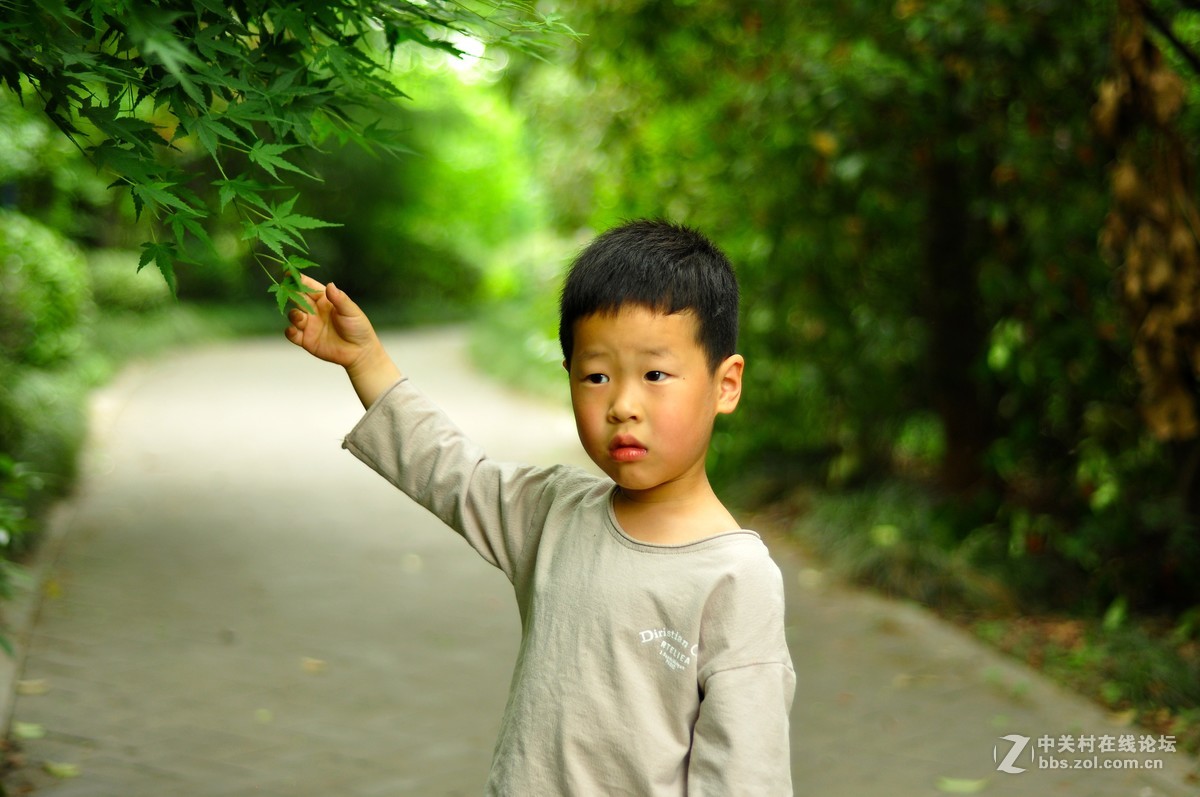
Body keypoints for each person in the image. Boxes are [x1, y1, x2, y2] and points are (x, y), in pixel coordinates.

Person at [285, 219, 795, 795]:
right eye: (596, 375)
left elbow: (745, 774)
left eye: (655, 374)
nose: (623, 404)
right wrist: (366, 359)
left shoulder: (735, 580)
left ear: (725, 384)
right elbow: (453, 474)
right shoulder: (555, 514)